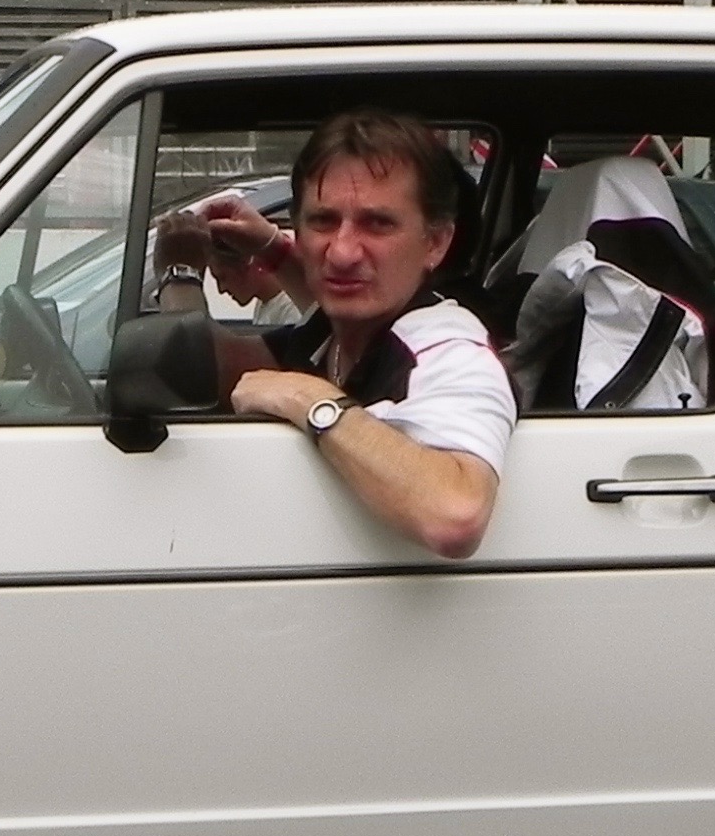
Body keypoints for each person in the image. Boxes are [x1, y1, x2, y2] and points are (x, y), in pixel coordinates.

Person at [158, 108, 511, 560]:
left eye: (378, 223)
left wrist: (311, 400)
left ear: (435, 242)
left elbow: (455, 515)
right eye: (322, 221)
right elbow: (205, 367)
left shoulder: (446, 347)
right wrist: (190, 270)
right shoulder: (337, 331)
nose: (342, 253)